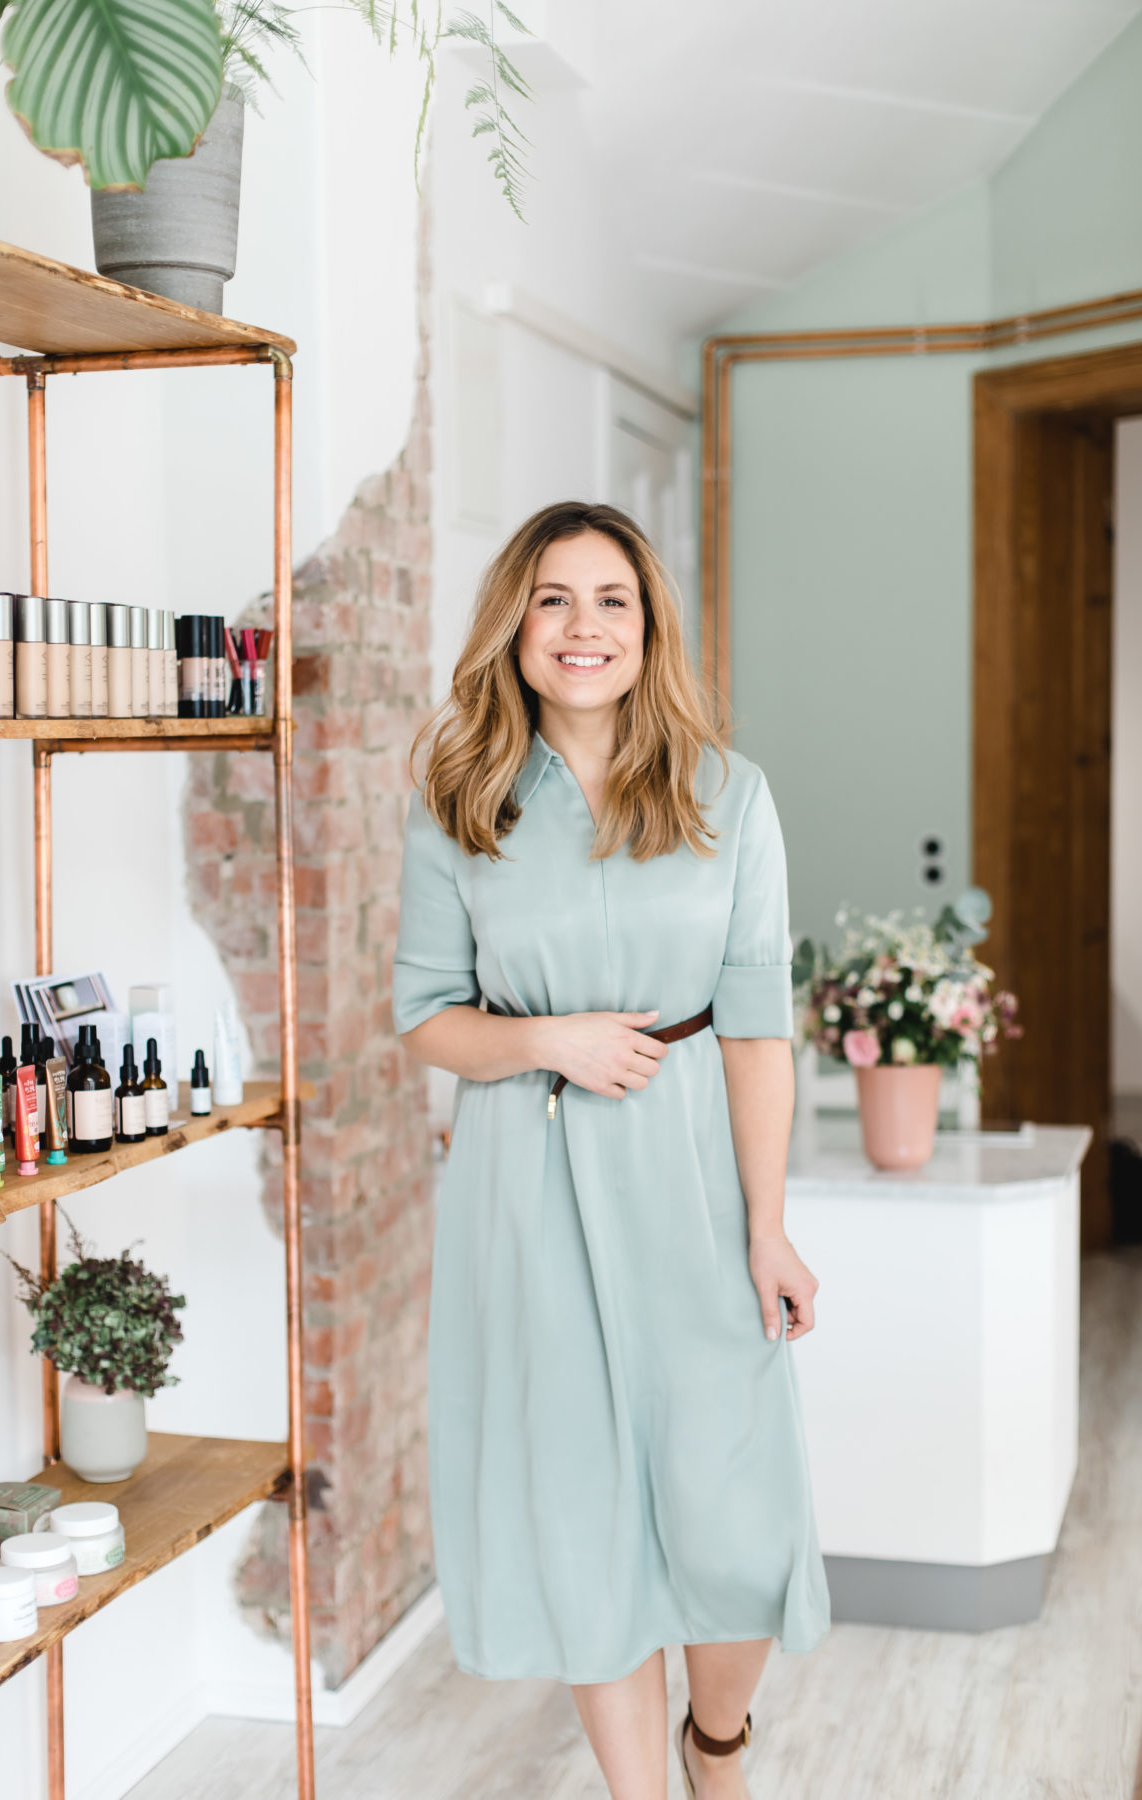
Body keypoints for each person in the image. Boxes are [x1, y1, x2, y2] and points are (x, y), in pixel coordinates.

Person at [392, 500, 830, 1799]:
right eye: (553, 599)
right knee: (584, 1513)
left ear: (648, 629)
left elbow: (757, 1034)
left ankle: (717, 1742)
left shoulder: (729, 796)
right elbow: (425, 1018)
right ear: (516, 626)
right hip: (526, 1189)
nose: (582, 627)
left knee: (734, 1512)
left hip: (691, 1183)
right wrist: (549, 1041)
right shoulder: (457, 802)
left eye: (611, 600)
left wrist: (768, 1226)